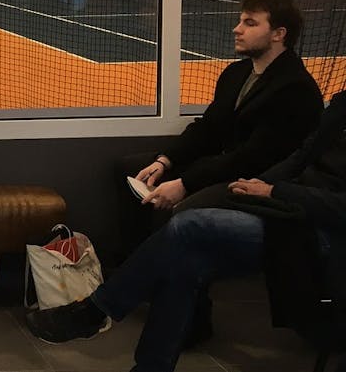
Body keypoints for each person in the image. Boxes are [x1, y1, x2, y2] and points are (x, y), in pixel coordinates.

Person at [26, 89, 346, 372]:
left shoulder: (295, 89)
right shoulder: (341, 104)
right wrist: (261, 184)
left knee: (189, 225)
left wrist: (276, 192)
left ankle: (96, 310)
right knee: (185, 262)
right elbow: (301, 156)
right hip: (287, 214)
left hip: (321, 233)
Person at [118, 0, 323, 248]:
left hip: (253, 180)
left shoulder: (295, 89)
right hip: (222, 164)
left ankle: (161, 269)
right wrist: (165, 160)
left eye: (250, 23)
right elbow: (208, 128)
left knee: (182, 210)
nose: (237, 29)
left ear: (278, 34)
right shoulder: (236, 73)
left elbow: (253, 157)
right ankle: (129, 260)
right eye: (240, 21)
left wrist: (185, 183)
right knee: (131, 168)